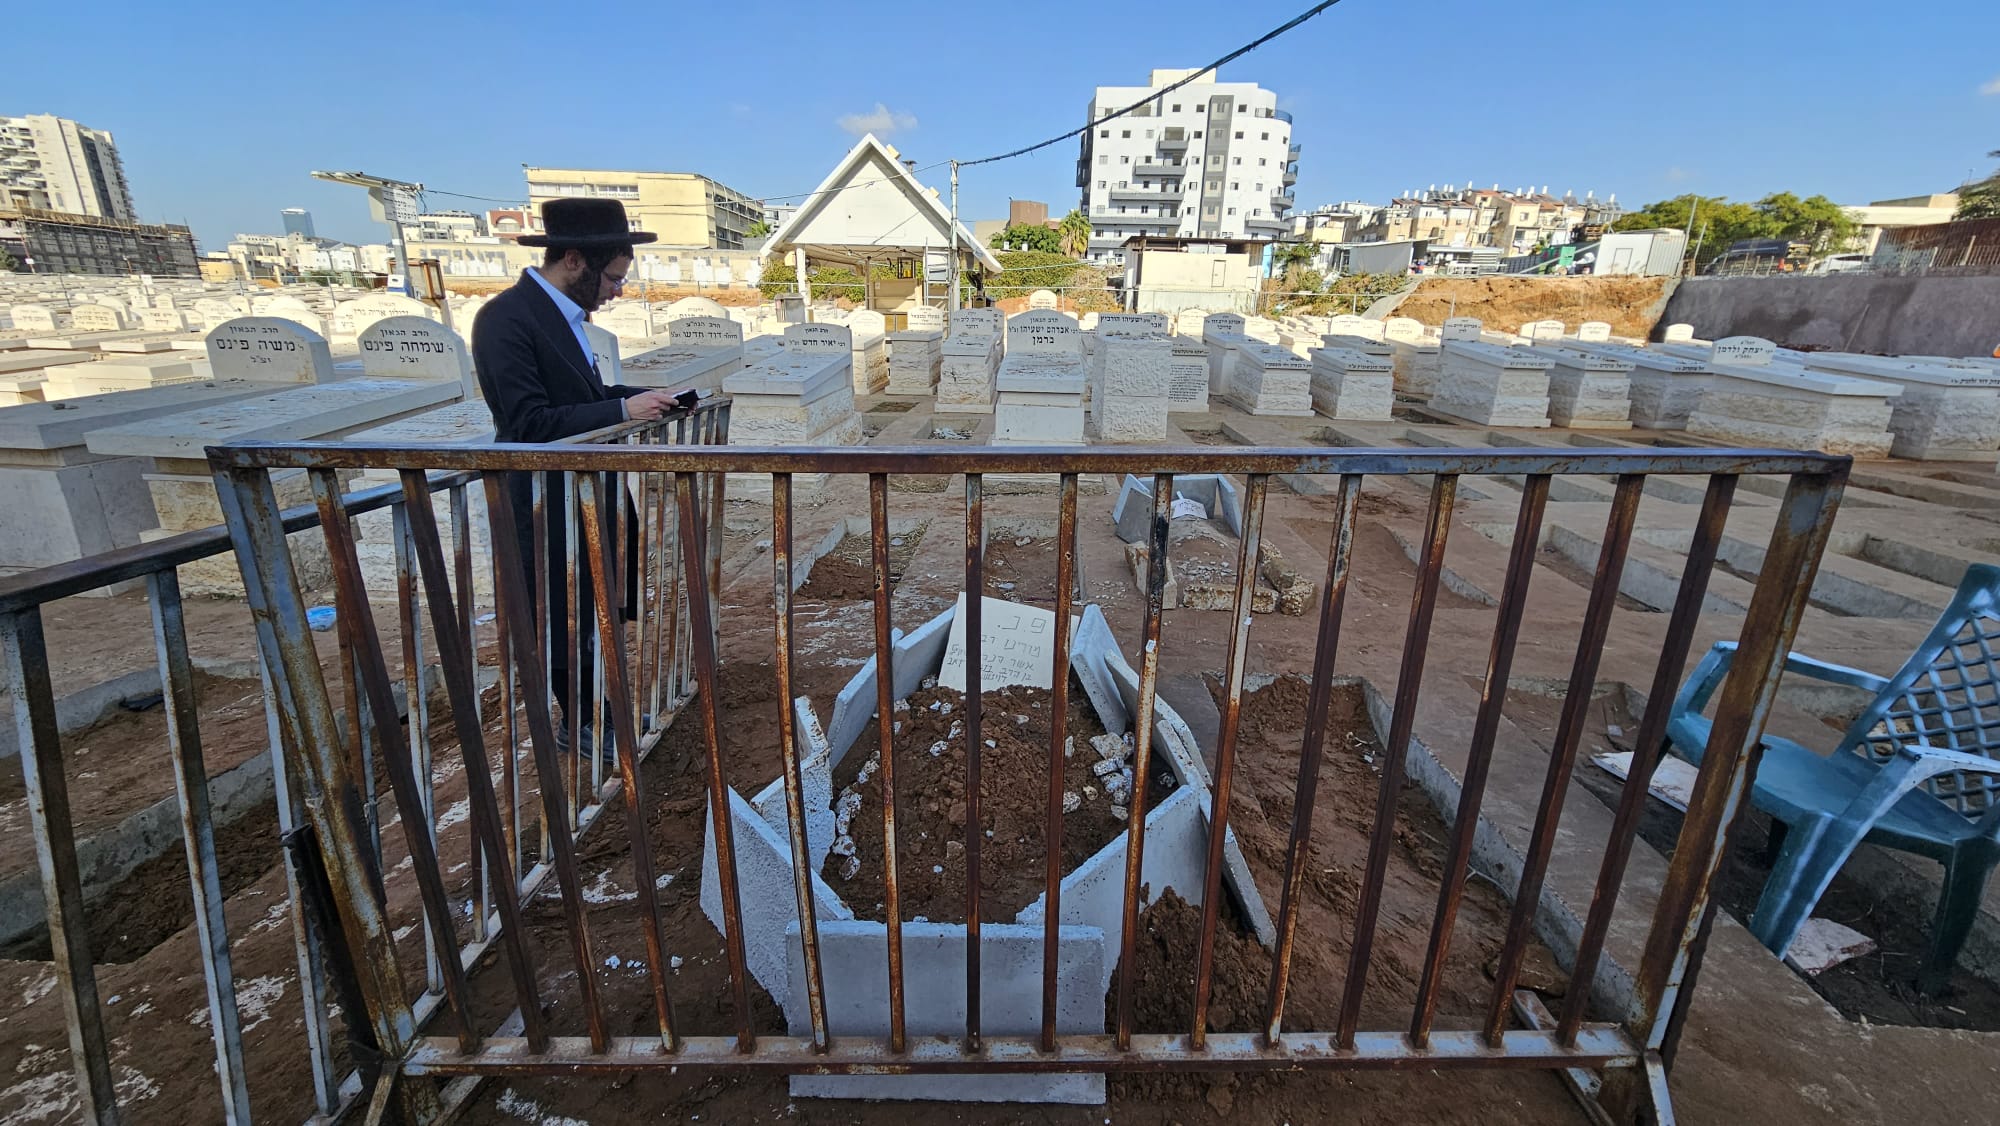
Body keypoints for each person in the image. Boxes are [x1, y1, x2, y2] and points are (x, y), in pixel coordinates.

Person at [471, 197, 692, 760]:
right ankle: (582, 719)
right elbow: (527, 422)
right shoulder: (505, 320)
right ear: (574, 260)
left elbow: (582, 400)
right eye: (613, 278)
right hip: (545, 498)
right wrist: (621, 413)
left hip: (587, 492)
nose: (617, 290)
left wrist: (643, 399)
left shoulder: (565, 319)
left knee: (599, 611)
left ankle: (604, 709)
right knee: (563, 617)